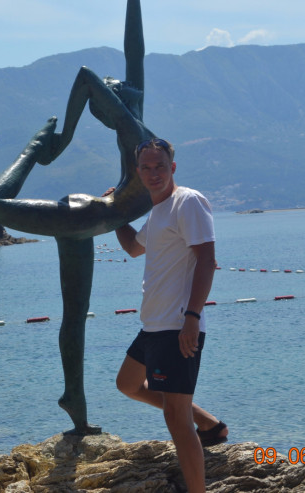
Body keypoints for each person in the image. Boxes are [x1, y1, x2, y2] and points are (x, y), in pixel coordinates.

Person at [0, 0, 154, 435]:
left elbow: (135, 52)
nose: (127, 86)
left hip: (92, 220)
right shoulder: (132, 132)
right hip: (84, 216)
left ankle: (74, 401)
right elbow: (85, 77)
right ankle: (33, 150)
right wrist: (60, 141)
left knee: (75, 315)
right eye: (119, 89)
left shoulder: (141, 133)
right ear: (114, 104)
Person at [112, 138, 227, 493]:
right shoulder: (158, 212)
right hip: (154, 325)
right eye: (146, 167)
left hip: (178, 325)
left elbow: (206, 260)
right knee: (127, 384)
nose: (154, 173)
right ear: (138, 172)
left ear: (172, 167)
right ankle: (209, 424)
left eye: (160, 166)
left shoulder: (187, 202)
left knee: (176, 418)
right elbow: (133, 247)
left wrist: (192, 316)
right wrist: (115, 213)